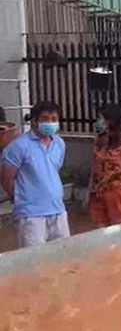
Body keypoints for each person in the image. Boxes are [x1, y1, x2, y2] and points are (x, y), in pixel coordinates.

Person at [0, 101, 69, 248]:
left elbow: (53, 170)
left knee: (62, 257)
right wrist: (18, 198)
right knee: (33, 261)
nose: (50, 123)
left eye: (54, 119)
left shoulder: (59, 143)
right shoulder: (19, 146)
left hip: (58, 209)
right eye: (45, 119)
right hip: (31, 214)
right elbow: (7, 178)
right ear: (34, 121)